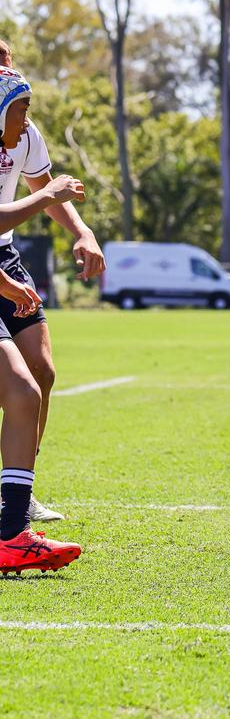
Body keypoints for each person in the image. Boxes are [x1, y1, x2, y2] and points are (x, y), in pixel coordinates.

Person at [0, 43, 106, 523]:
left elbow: (41, 186)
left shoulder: (23, 129)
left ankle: (18, 489)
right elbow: (43, 192)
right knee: (15, 385)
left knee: (40, 372)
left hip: (5, 254)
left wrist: (83, 231)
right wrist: (46, 194)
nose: (11, 75)